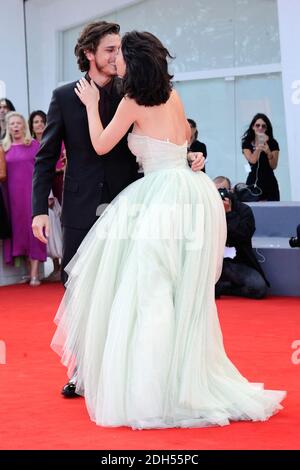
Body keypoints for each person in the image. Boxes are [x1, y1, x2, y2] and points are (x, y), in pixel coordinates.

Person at [48, 31, 285, 429]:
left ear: (133, 61)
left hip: (161, 197)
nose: (116, 59)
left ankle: (155, 389)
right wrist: (190, 157)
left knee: (151, 289)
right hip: (190, 194)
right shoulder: (172, 95)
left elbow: (102, 144)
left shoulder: (132, 100)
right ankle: (176, 379)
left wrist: (91, 105)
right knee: (182, 292)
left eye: (120, 54)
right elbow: (182, 140)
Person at [31, 21, 205, 397]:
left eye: (119, 50)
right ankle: (80, 372)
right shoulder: (64, 96)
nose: (116, 56)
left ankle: (117, 372)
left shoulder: (136, 88)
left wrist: (192, 153)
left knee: (125, 291)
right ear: (89, 54)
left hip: (133, 203)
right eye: (109, 50)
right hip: (81, 206)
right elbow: (45, 158)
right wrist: (39, 210)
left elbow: (170, 136)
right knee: (79, 288)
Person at [2, 112, 47, 285]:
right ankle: (29, 272)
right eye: (12, 124)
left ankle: (35, 273)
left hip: (31, 194)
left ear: (24, 125)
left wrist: (46, 194)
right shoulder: (4, 148)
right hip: (11, 196)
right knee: (19, 231)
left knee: (33, 229)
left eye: (18, 123)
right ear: (8, 127)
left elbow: (43, 171)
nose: (15, 126)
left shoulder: (34, 145)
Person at [214, 176, 269, 299]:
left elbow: (243, 235)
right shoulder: (208, 212)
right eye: (215, 192)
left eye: (222, 190)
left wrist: (228, 214)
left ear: (231, 191)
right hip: (216, 263)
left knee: (259, 288)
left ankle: (226, 288)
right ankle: (220, 286)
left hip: (239, 262)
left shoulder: (244, 210)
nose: (219, 195)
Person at [242, 113, 280, 201]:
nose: (260, 128)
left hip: (269, 183)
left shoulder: (273, 143)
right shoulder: (247, 143)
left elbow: (274, 166)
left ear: (267, 129)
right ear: (253, 127)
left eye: (263, 126)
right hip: (253, 182)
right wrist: (259, 145)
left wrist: (268, 152)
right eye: (257, 125)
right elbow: (253, 160)